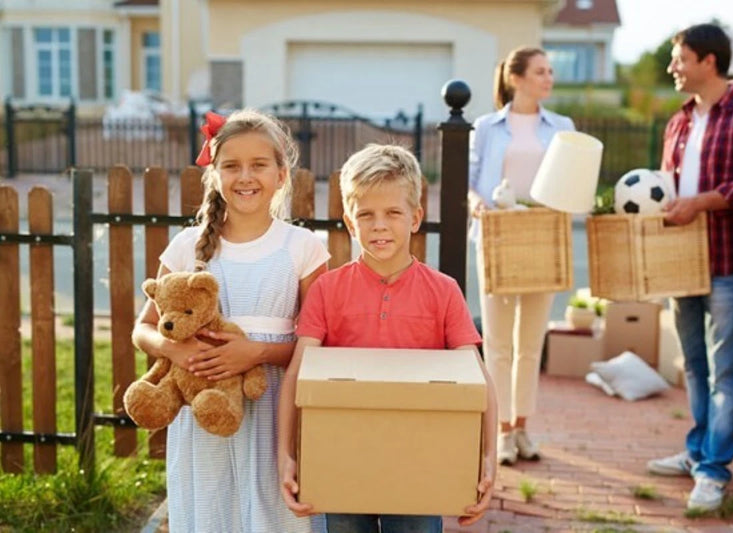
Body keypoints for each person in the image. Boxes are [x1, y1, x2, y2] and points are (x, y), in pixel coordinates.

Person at [277, 144, 498, 533]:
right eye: (366, 215)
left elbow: (477, 379)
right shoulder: (328, 290)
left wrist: (488, 459)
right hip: (340, 463)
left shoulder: (443, 291)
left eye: (393, 213)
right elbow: (298, 374)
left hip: (421, 465)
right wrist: (287, 456)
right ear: (349, 222)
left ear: (415, 218)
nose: (379, 225)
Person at [131, 109, 329, 532]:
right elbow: (142, 328)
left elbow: (322, 344)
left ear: (281, 173)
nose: (245, 177)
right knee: (210, 511)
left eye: (259, 165)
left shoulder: (303, 248)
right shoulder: (188, 247)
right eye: (231, 166)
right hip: (203, 412)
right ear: (214, 174)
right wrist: (175, 349)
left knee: (273, 515)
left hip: (276, 408)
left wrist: (256, 353)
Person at [646, 24, 733, 512]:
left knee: (727, 370)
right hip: (681, 261)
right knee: (694, 366)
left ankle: (714, 470)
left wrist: (700, 203)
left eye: (679, 58)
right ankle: (697, 450)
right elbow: (666, 185)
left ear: (708, 61)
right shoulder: (679, 120)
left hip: (730, 260)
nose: (672, 68)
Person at [467, 46, 575, 466]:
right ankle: (501, 431)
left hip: (542, 238)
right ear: (517, 78)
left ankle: (523, 427)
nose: (549, 78)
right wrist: (476, 203)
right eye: (541, 71)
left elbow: (570, 180)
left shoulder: (561, 126)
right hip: (496, 237)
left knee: (531, 341)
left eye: (550, 71)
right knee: (497, 341)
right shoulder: (487, 126)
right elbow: (471, 181)